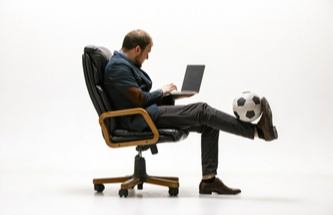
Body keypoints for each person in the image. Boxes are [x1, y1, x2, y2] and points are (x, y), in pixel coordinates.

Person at [104, 29, 278, 195]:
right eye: (147, 52)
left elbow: (136, 97)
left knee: (209, 123)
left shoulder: (122, 64)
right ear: (137, 49)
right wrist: (162, 92)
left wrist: (171, 96)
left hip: (146, 114)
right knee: (202, 111)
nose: (147, 57)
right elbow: (140, 99)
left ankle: (209, 181)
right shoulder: (117, 67)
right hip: (140, 119)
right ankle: (259, 132)